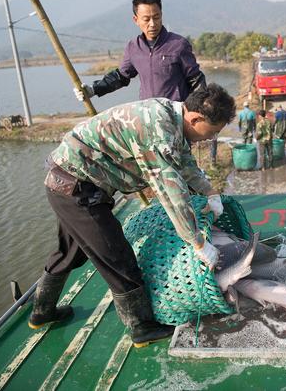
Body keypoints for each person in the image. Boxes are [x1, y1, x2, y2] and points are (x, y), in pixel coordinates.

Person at [29, 84, 236, 348]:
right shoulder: (157, 131)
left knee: (71, 251)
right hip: (75, 187)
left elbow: (184, 162)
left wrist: (210, 192)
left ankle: (42, 312)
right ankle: (142, 326)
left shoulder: (171, 115)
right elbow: (171, 194)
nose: (211, 138)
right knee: (117, 255)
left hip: (73, 182)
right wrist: (197, 243)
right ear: (196, 118)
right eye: (214, 131)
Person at [73, 0, 206, 103]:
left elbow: (196, 81)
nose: (153, 24)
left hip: (177, 118)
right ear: (136, 20)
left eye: (156, 17)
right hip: (147, 117)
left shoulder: (178, 44)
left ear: (161, 15)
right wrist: (93, 90)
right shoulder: (133, 48)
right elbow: (121, 77)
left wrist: (196, 114)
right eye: (146, 19)